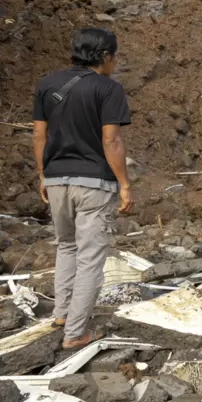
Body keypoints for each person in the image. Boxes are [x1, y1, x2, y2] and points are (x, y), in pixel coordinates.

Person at [32, 27, 133, 350]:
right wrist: (125, 183)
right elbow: (111, 140)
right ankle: (76, 333)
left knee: (66, 246)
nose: (115, 62)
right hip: (94, 182)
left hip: (57, 179)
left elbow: (39, 136)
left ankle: (63, 315)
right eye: (114, 56)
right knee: (90, 257)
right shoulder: (108, 89)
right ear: (105, 56)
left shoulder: (47, 85)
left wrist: (42, 175)